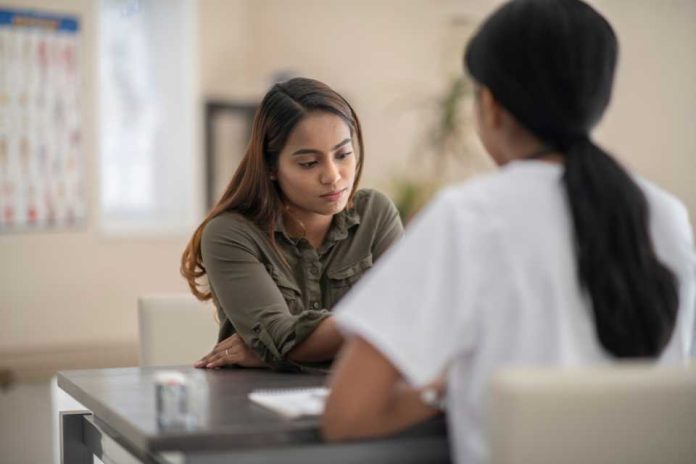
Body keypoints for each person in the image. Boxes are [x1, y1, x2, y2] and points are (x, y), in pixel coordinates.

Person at [321, 1, 695, 463]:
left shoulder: (469, 216)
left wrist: (448, 388)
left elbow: (348, 415)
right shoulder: (666, 216)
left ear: (490, 105)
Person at [181, 78, 403, 371]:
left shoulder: (376, 214)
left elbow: (409, 331)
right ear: (271, 167)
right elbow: (282, 337)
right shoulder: (230, 234)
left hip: (360, 399)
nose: (333, 176)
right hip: (251, 407)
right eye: (309, 163)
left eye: (343, 154)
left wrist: (271, 354)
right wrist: (377, 323)